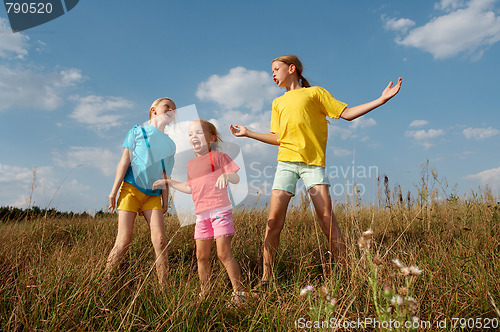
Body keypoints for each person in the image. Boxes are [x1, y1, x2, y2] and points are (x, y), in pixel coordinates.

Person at [230, 54, 402, 286]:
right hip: (286, 164)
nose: (272, 74)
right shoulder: (277, 103)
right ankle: (266, 278)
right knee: (274, 222)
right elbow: (278, 138)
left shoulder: (315, 93)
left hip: (313, 165)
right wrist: (248, 132)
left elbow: (347, 114)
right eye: (271, 70)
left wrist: (380, 100)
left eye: (276, 69)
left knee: (326, 219)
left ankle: (345, 273)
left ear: (292, 69)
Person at [153, 119, 247, 305]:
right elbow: (190, 188)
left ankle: (240, 292)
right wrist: (170, 182)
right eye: (190, 134)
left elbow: (235, 177)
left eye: (198, 133)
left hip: (220, 211)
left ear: (211, 138)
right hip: (201, 215)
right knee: (201, 256)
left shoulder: (219, 157)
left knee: (223, 253)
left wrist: (226, 175)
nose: (193, 136)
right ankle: (206, 292)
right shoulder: (190, 165)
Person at [106, 97, 177, 286]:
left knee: (160, 241)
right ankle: (104, 282)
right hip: (130, 189)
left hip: (152, 196)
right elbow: (124, 162)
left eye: (174, 109)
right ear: (153, 110)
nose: (171, 110)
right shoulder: (137, 132)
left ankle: (164, 287)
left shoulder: (170, 144)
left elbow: (164, 174)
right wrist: (114, 191)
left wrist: (165, 200)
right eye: (167, 106)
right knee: (124, 240)